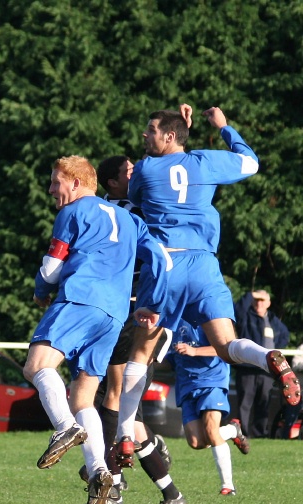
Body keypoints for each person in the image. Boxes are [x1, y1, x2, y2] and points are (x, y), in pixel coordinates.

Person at [115, 105, 300, 473]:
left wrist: (180, 134)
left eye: (150, 130)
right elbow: (250, 163)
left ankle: (123, 435)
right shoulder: (205, 162)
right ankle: (268, 358)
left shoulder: (146, 169)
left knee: (140, 352)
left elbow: (140, 196)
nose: (144, 136)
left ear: (168, 136)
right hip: (204, 264)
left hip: (166, 265)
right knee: (227, 348)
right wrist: (223, 127)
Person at [22, 155, 170, 504]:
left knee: (36, 366)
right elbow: (161, 260)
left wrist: (42, 289)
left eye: (56, 181)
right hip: (116, 314)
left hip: (81, 298)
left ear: (76, 181)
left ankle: (65, 428)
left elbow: (53, 267)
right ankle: (102, 472)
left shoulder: (73, 212)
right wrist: (151, 302)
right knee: (82, 396)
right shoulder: (130, 219)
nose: (53, 189)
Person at [92, 156, 181, 504]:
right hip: (127, 309)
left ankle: (111, 482)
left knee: (114, 402)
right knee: (125, 414)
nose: (137, 175)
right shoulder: (129, 210)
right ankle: (170, 493)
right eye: (129, 173)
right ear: (112, 183)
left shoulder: (118, 210)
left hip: (139, 314)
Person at [167, 320, 250, 495]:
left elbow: (226, 347)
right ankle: (232, 430)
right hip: (187, 385)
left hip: (212, 381)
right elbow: (169, 358)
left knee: (211, 431)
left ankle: (228, 486)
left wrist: (195, 351)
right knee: (197, 442)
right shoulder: (173, 321)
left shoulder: (209, 317)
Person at [232, 290, 290, 437]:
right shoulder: (245, 317)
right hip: (247, 369)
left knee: (264, 403)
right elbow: (237, 310)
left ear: (269, 303)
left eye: (262, 300)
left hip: (266, 370)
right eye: (256, 300)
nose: (259, 303)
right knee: (244, 403)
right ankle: (243, 434)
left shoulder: (273, 321)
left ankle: (259, 434)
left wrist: (276, 352)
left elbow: (285, 335)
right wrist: (251, 294)